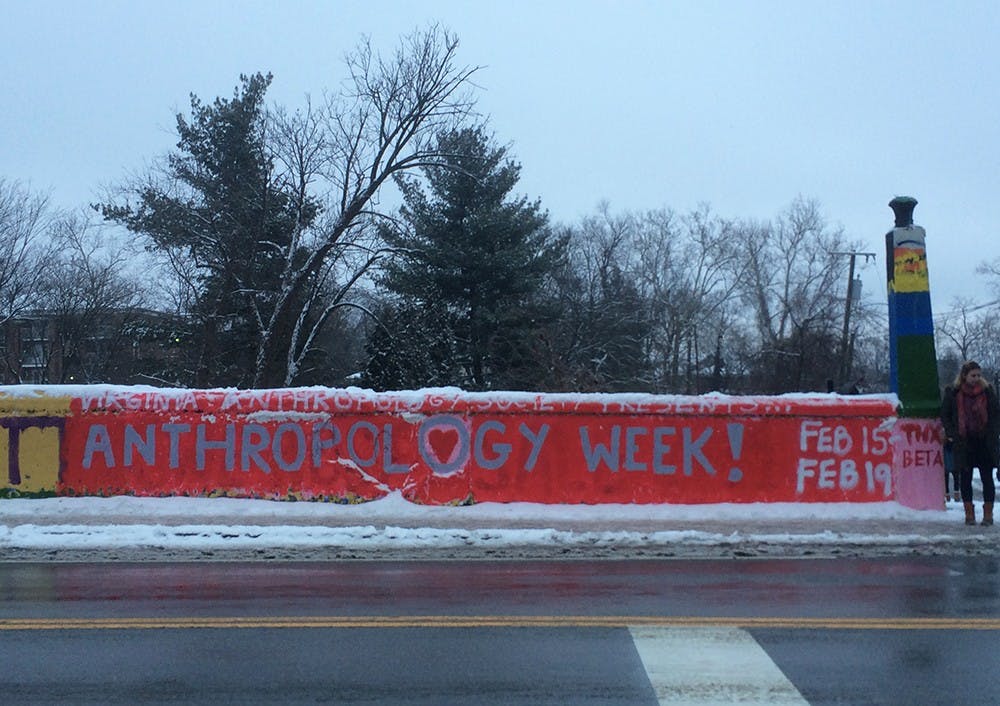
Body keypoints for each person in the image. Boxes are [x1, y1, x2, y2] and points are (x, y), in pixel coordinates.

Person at [940, 361, 999, 525]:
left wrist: (993, 433)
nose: (977, 378)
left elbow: (995, 414)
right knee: (965, 478)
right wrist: (953, 434)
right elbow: (945, 415)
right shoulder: (953, 393)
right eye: (973, 375)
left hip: (984, 441)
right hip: (964, 442)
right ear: (964, 376)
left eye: (979, 375)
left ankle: (988, 515)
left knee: (987, 478)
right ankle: (969, 515)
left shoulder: (987, 392)